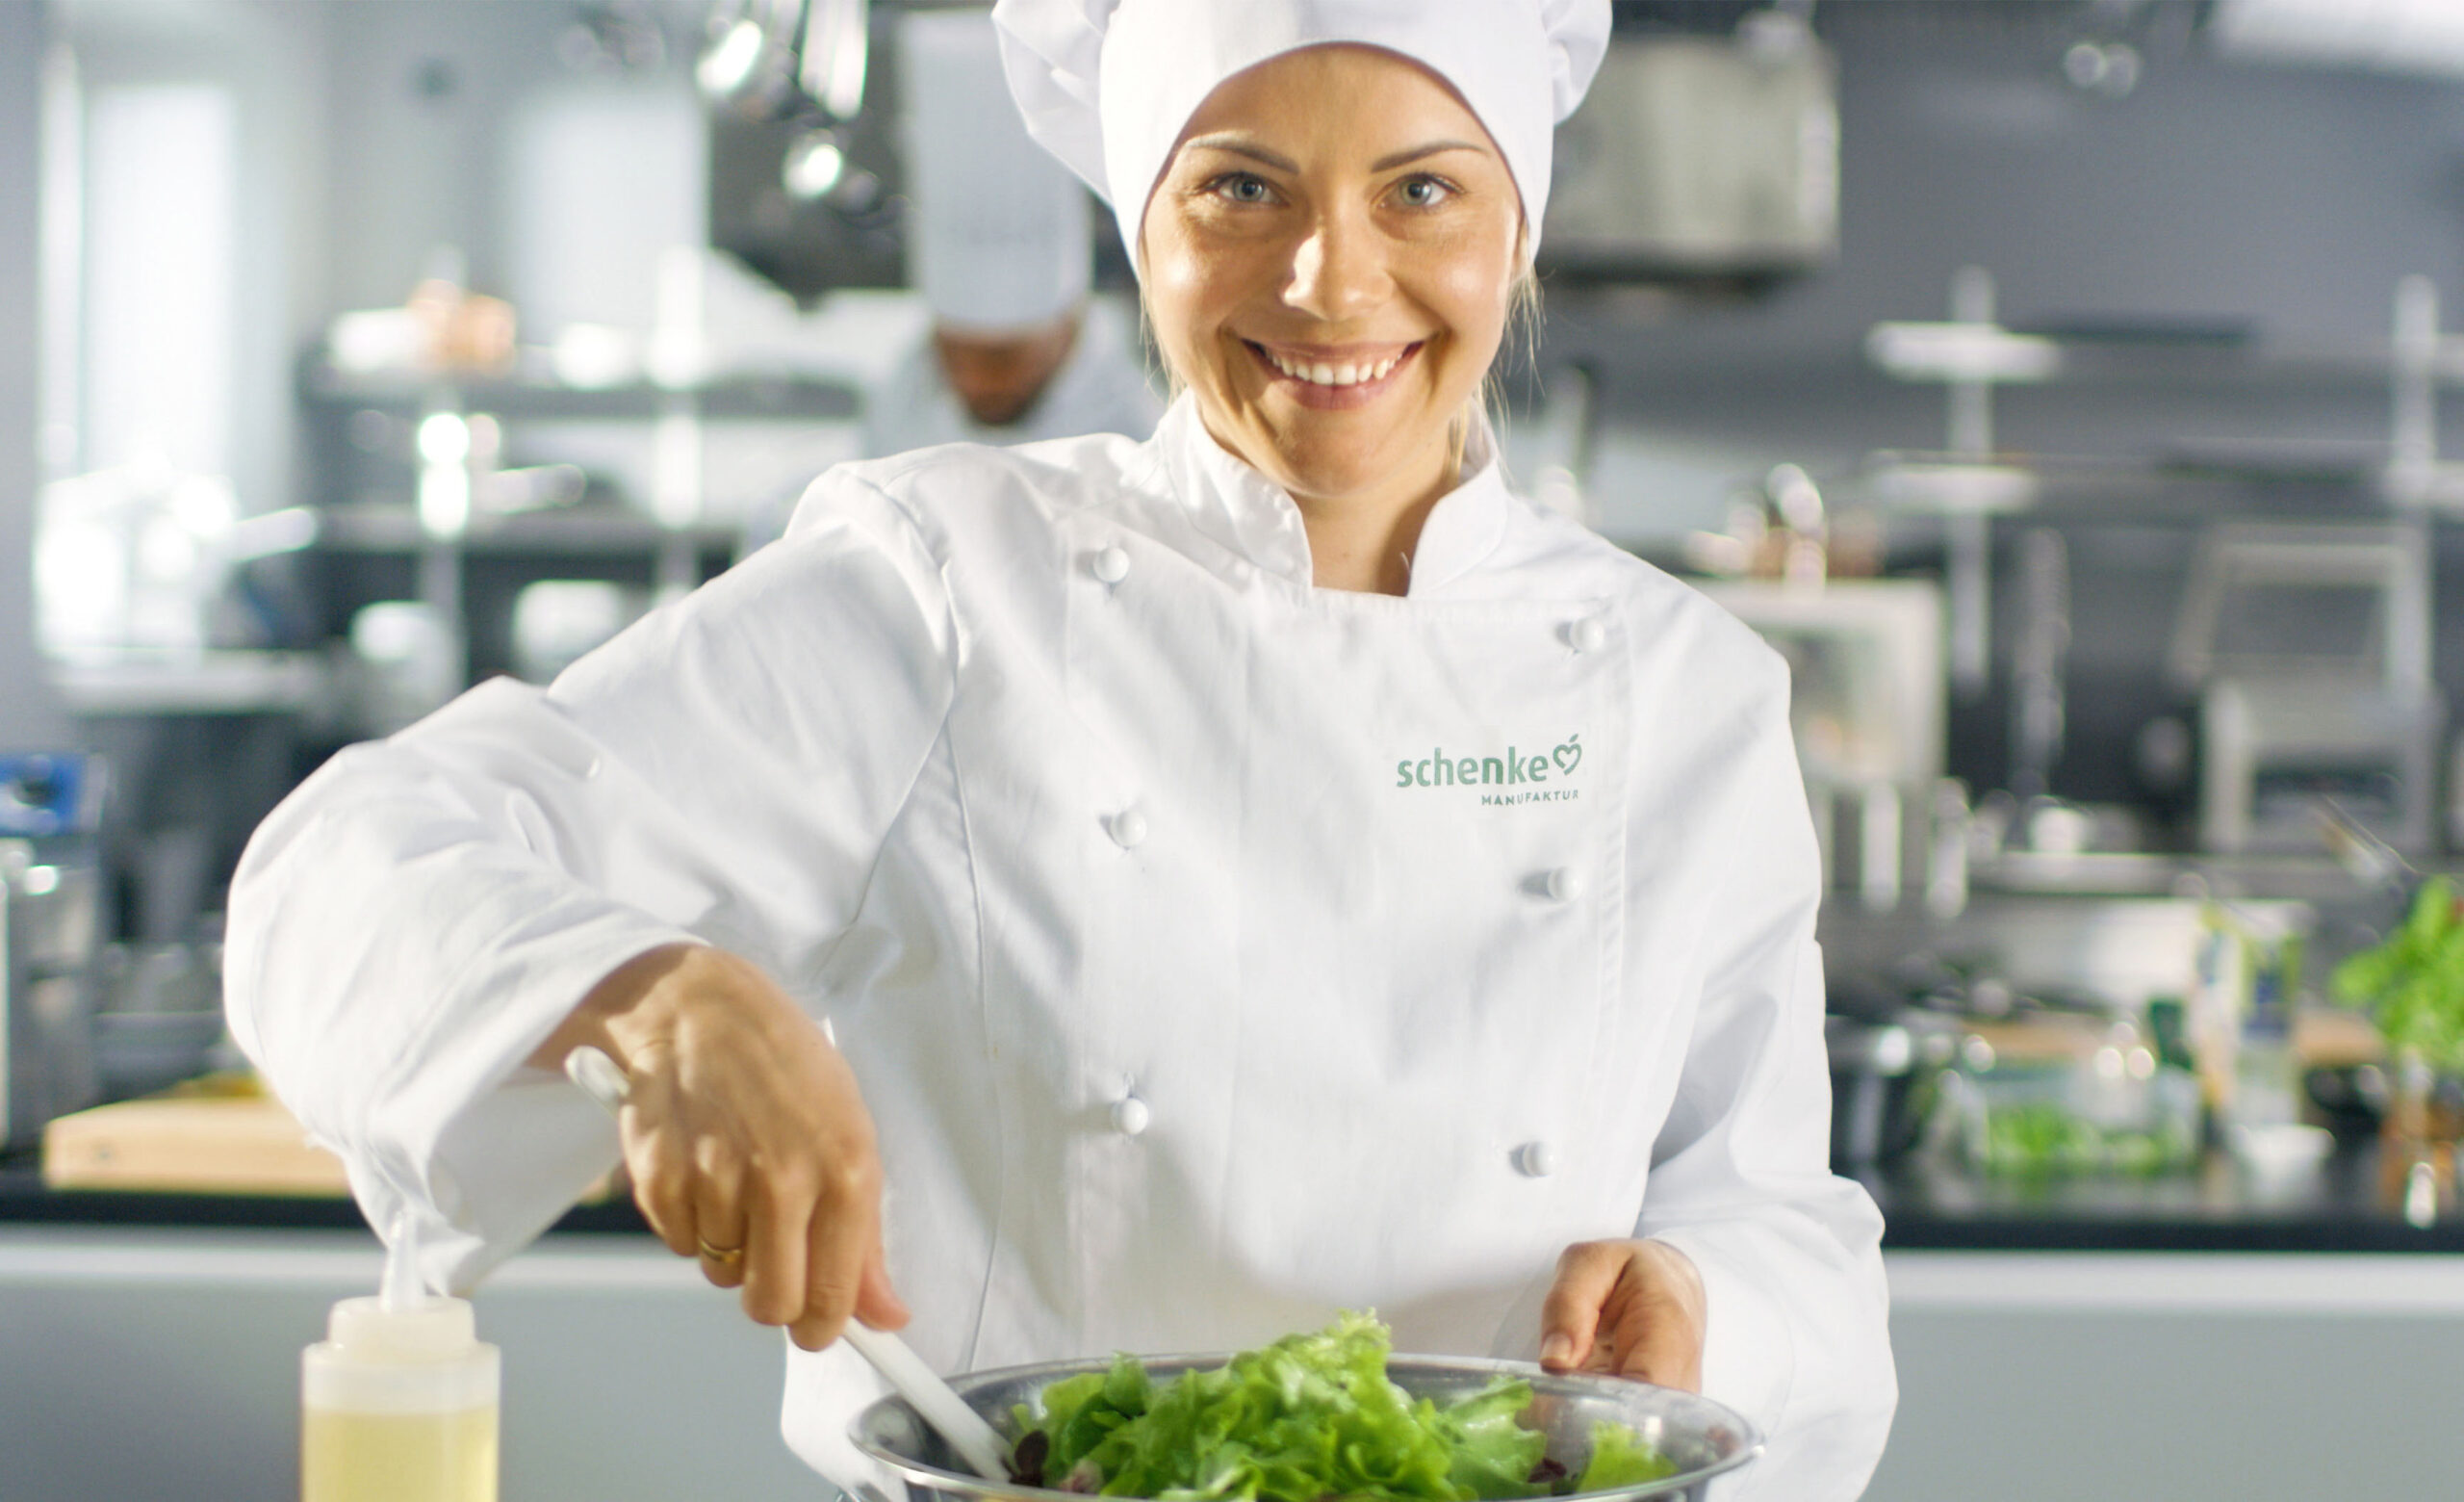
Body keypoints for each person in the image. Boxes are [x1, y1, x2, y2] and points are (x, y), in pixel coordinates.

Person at [224, 2, 1897, 1498]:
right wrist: (646, 994)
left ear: (1516, 231)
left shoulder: (1684, 690)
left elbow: (1783, 1223)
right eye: (1239, 188)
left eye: (1421, 189)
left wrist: (1705, 1301)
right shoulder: (950, 587)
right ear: (1140, 231)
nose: (1332, 278)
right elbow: (343, 866)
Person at [860, 9, 1160, 457]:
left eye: (962, 357)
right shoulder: (899, 420)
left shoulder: (902, 417)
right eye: (992, 360)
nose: (975, 376)